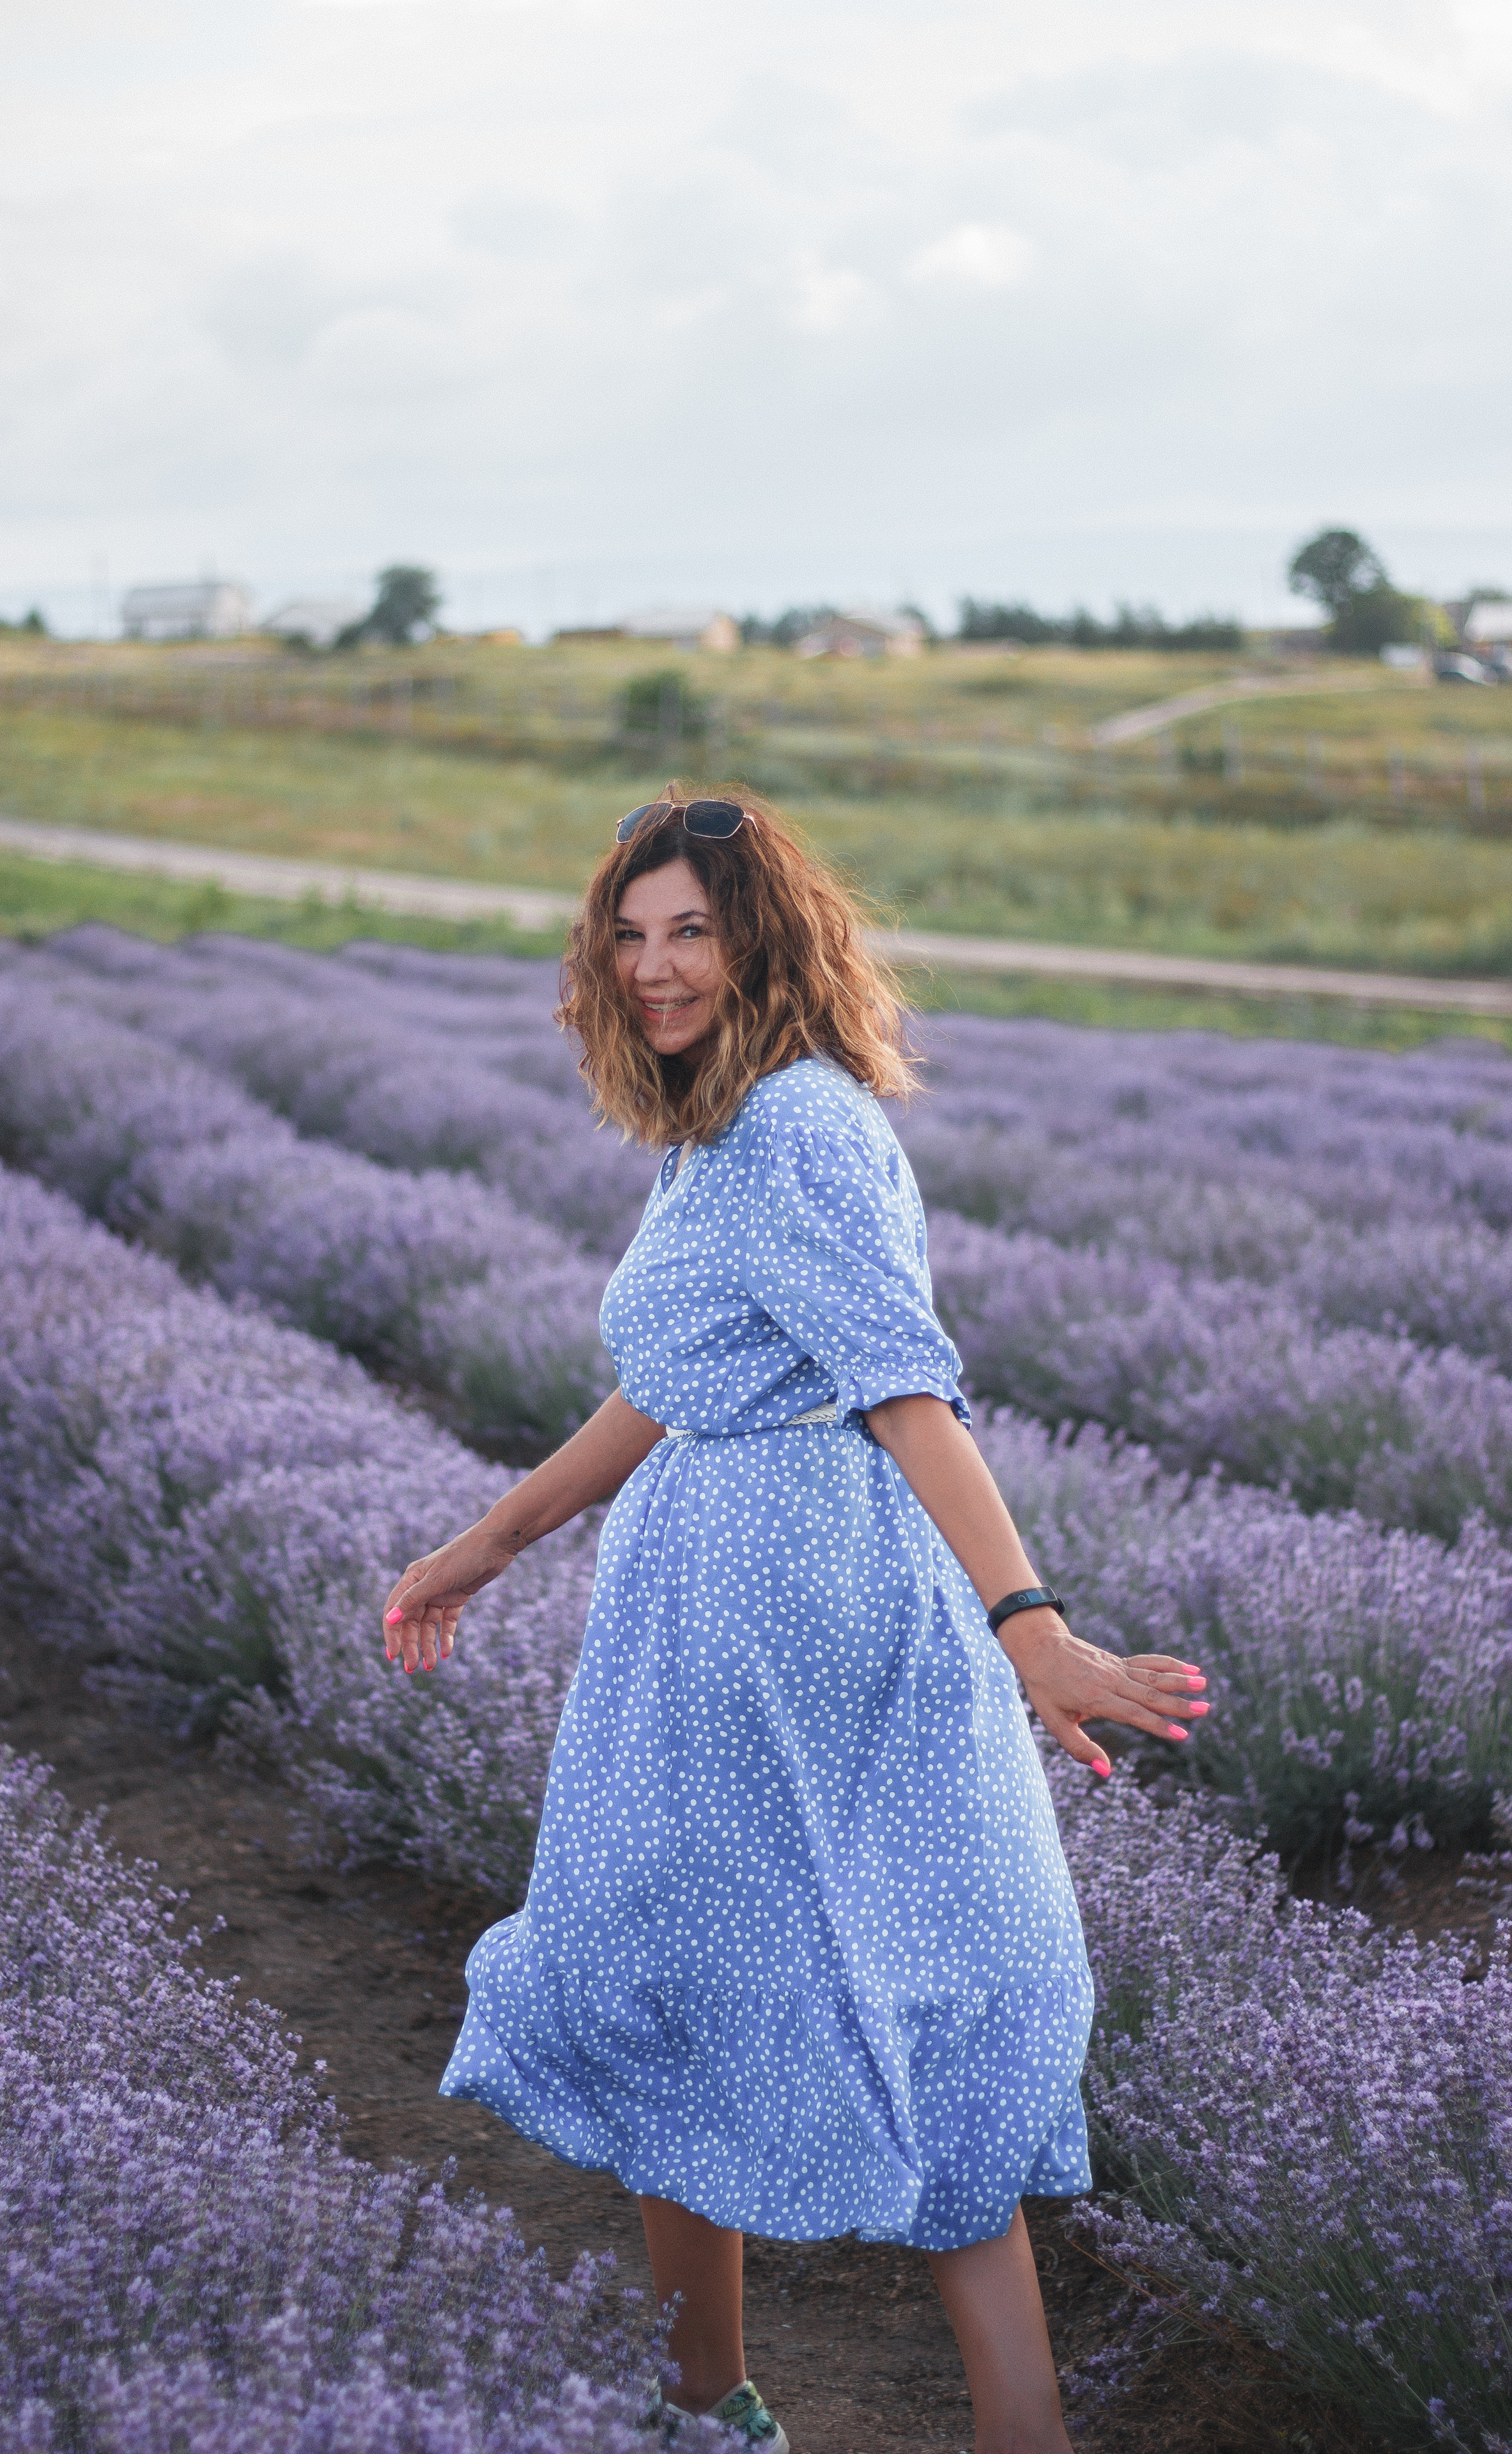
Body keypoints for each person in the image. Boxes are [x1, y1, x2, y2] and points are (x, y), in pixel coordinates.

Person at [382, 789, 1207, 2453]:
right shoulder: (722, 1126)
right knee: (724, 1981)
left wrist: (1030, 1626)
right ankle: (715, 2407)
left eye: (691, 930)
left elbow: (906, 1388)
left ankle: (886, 2425)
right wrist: (494, 1540)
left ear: (763, 941)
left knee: (827, 1983)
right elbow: (672, 1383)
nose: (654, 966)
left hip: (791, 1618)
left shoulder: (801, 1127)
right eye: (630, 935)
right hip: (717, 1613)